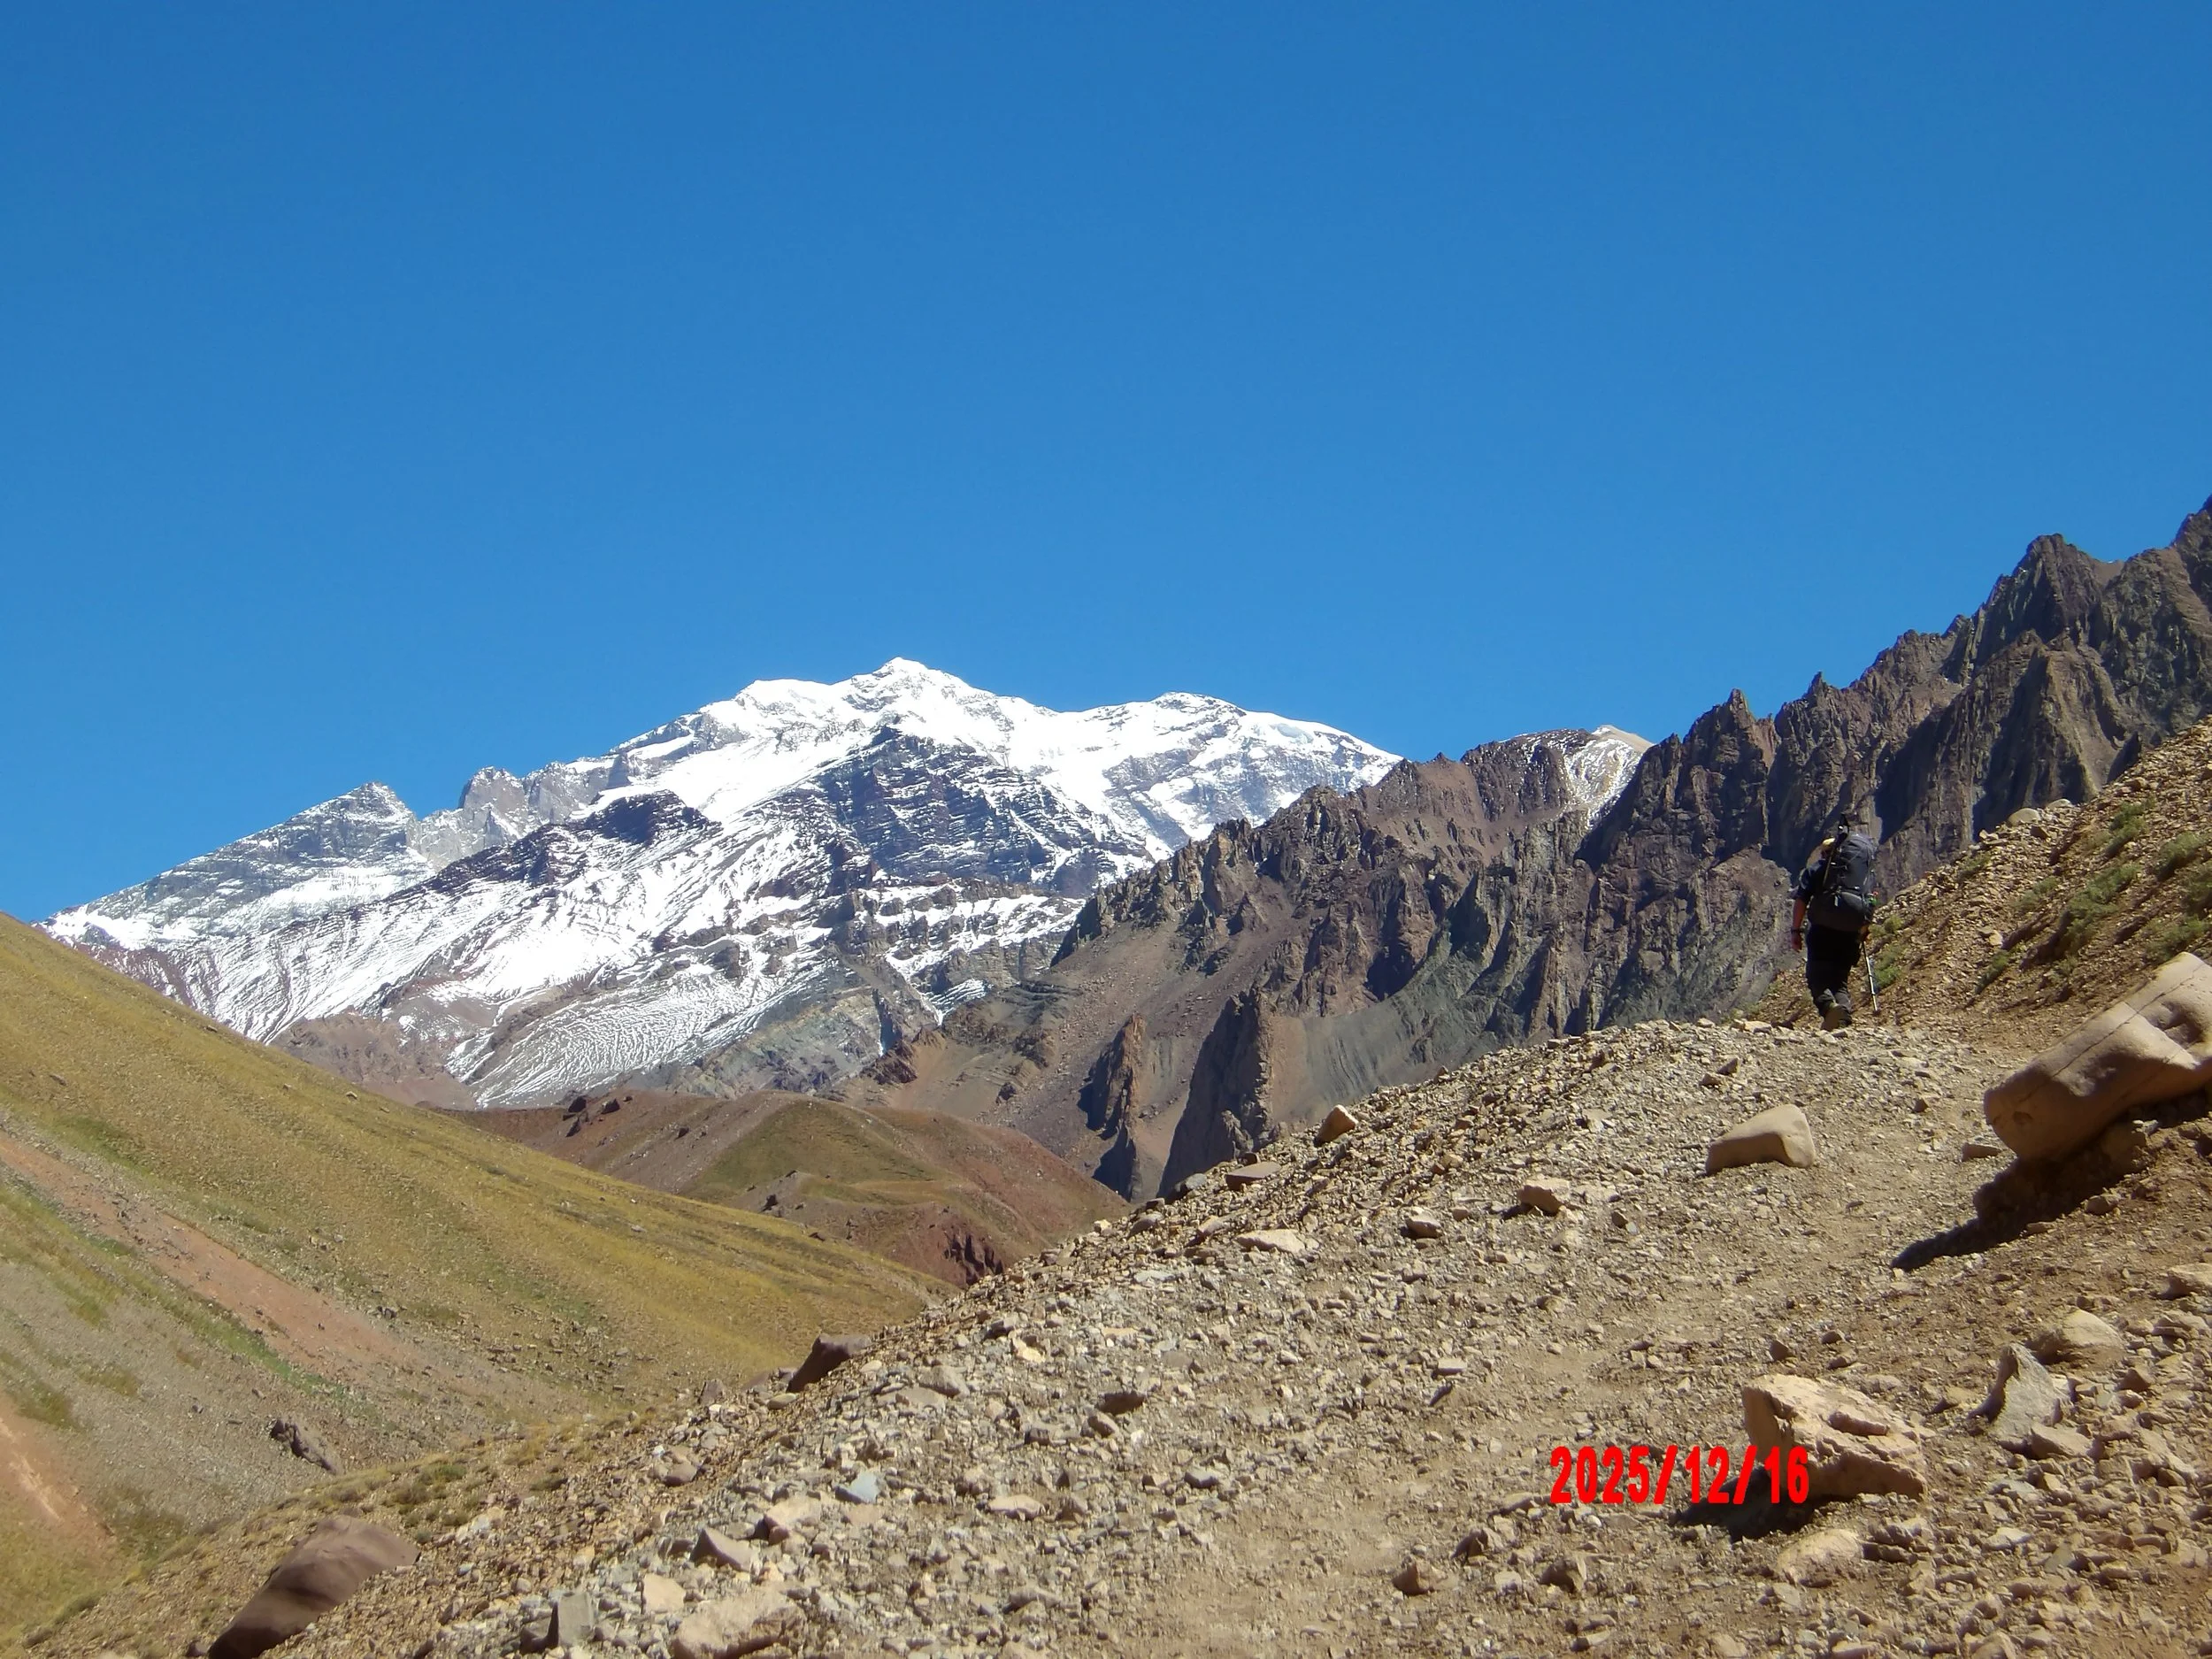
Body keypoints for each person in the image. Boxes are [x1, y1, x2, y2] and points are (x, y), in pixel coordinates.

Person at [1792, 813, 1878, 1029]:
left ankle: (1829, 1008)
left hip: (1822, 930)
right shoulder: (1863, 877)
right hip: (1851, 933)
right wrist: (1862, 934)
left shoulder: (1817, 870)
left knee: (1816, 975)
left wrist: (1796, 931)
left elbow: (1801, 899)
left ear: (1826, 853)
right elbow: (1869, 905)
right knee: (1839, 979)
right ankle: (1844, 1015)